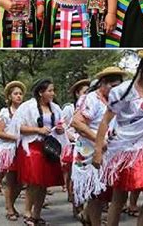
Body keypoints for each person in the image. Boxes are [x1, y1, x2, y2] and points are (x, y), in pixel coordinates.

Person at [93, 49, 143, 226]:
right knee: (119, 196)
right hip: (126, 151)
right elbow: (106, 121)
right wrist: (98, 151)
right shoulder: (124, 91)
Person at [71, 67, 126, 226]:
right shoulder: (90, 99)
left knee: (105, 192)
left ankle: (87, 216)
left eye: (118, 86)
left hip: (111, 152)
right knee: (96, 192)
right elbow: (77, 123)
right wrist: (100, 140)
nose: (116, 90)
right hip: (90, 151)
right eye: (113, 86)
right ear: (103, 83)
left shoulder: (117, 102)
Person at [10, 78, 65, 225]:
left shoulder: (55, 108)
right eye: (50, 90)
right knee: (34, 181)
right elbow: (18, 127)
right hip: (32, 147)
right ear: (41, 92)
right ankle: (27, 212)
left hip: (49, 149)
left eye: (53, 90)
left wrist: (60, 130)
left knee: (44, 183)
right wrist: (37, 129)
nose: (53, 93)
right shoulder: (27, 107)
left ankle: (37, 214)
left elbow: (61, 128)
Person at [0, 81, 26, 221]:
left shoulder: (26, 111)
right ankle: (9, 208)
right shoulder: (5, 112)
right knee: (11, 180)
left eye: (20, 94)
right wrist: (14, 137)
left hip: (22, 149)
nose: (18, 96)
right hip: (9, 149)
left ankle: (11, 204)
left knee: (21, 181)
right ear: (10, 96)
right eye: (15, 94)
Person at [62, 78, 90, 213]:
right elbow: (62, 125)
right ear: (77, 94)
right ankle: (76, 204)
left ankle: (89, 208)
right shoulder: (70, 108)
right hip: (74, 145)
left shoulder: (93, 105)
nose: (87, 94)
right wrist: (70, 136)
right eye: (84, 92)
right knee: (75, 175)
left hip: (89, 145)